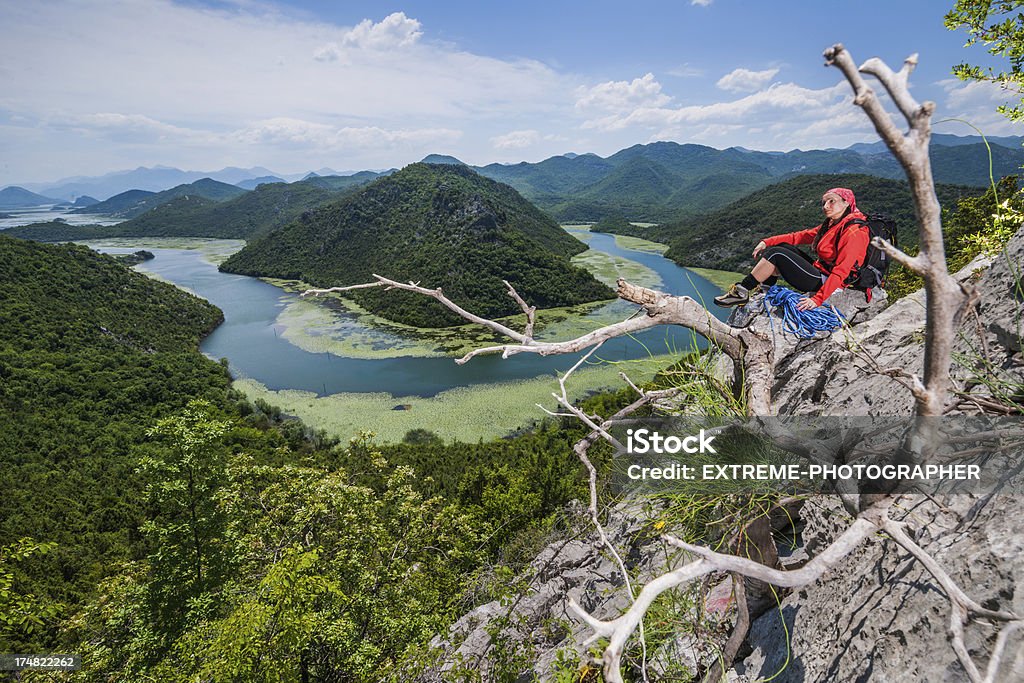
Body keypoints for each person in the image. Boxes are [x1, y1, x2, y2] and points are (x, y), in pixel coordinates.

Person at [713, 187, 870, 311]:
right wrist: (766, 242)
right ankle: (765, 291)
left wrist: (817, 299)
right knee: (780, 247)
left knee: (777, 254)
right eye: (823, 202)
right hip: (823, 273)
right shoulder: (835, 224)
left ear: (847, 202)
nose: (825, 206)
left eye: (831, 201)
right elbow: (798, 237)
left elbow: (842, 271)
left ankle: (742, 291)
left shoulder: (854, 231)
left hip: (832, 283)